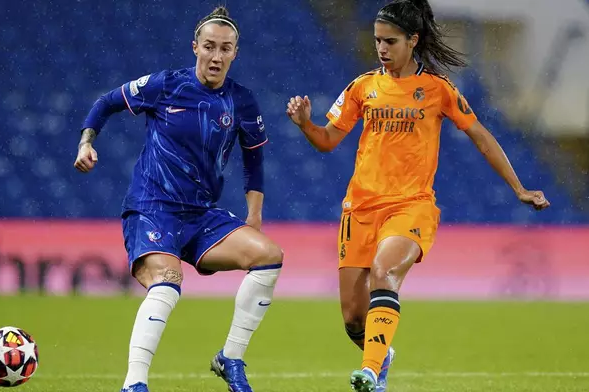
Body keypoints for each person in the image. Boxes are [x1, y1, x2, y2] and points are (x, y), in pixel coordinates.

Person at [286, 0, 550, 391]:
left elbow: (480, 135)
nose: (381, 49)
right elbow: (327, 141)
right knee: (353, 319)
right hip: (358, 209)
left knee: (384, 272)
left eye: (390, 41)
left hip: (410, 206)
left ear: (413, 40)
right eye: (377, 41)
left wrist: (519, 187)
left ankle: (372, 374)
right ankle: (382, 353)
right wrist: (306, 124)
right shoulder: (362, 87)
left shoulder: (437, 89)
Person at [74, 6, 283, 392]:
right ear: (195, 48)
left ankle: (230, 358)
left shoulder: (243, 102)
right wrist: (87, 142)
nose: (216, 56)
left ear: (236, 52)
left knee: (269, 257)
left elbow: (255, 161)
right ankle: (134, 383)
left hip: (201, 216)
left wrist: (254, 217)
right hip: (152, 209)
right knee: (168, 281)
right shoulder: (166, 85)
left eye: (225, 48)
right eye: (209, 47)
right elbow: (106, 103)